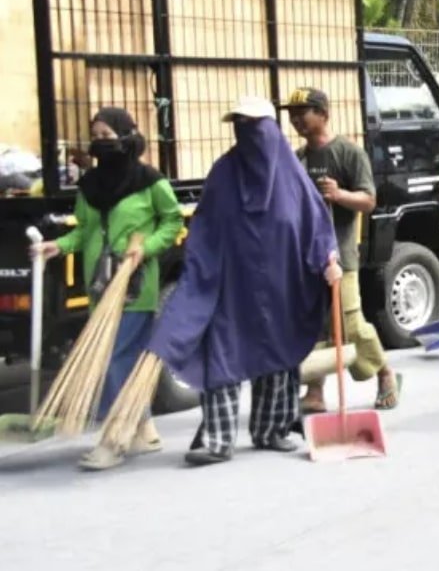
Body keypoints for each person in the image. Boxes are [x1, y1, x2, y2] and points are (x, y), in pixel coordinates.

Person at [143, 97, 341, 466]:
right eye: (240, 125)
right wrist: (201, 273)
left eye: (254, 126)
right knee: (223, 355)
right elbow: (205, 226)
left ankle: (272, 430)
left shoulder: (292, 175)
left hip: (283, 286)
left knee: (279, 356)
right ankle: (217, 440)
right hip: (231, 286)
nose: (248, 135)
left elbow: (315, 223)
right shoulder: (224, 173)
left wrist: (328, 258)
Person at [31, 108, 184, 471]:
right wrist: (59, 246)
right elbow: (84, 230)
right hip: (100, 283)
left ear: (126, 137)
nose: (100, 142)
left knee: (116, 358)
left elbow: (173, 220)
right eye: (95, 135)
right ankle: (144, 429)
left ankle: (114, 439)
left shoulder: (151, 182)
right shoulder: (91, 186)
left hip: (134, 284)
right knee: (121, 359)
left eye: (107, 134)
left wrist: (144, 248)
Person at [283, 87, 402, 412]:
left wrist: (338, 195)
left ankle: (385, 372)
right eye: (291, 114)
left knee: (350, 323)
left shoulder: (349, 153)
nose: (295, 119)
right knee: (314, 326)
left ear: (323, 113)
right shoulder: (299, 158)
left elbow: (368, 200)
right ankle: (316, 392)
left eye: (302, 112)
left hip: (341, 255)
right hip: (308, 257)